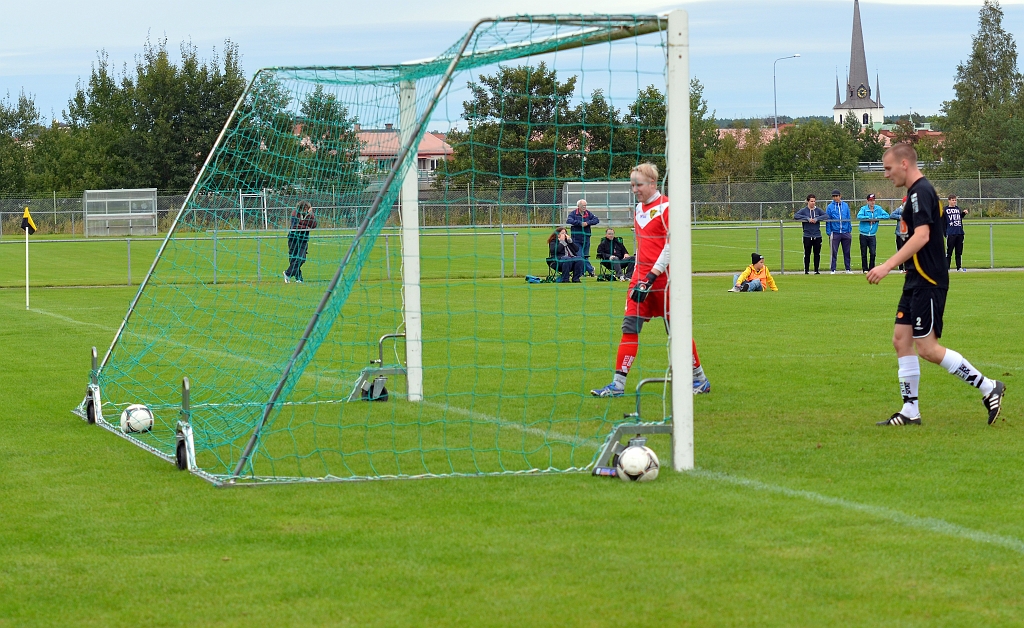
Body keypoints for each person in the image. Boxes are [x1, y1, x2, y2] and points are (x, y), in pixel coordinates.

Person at [867, 144, 1005, 426]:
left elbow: (922, 236)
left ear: (904, 164)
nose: (886, 174)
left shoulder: (921, 192)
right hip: (915, 279)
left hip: (929, 281)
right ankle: (910, 410)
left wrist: (887, 265)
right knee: (901, 340)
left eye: (888, 168)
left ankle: (989, 386)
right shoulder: (915, 193)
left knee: (928, 348)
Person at [591, 163, 711, 397]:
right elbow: (643, 246)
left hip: (666, 282)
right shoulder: (638, 209)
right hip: (640, 279)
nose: (634, 189)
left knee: (677, 332)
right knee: (629, 327)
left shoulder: (668, 207)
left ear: (653, 183)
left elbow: (671, 246)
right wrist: (636, 275)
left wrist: (652, 275)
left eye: (638, 185)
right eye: (632, 185)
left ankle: (700, 379)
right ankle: (618, 385)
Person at [284, 200, 317, 283]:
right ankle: (299, 278)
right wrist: (306, 227)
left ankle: (287, 273)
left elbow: (314, 225)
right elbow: (295, 226)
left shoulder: (309, 215)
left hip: (303, 239)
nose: (305, 210)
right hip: (293, 238)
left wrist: (311, 215)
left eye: (307, 208)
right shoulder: (295, 213)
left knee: (301, 258)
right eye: (304, 208)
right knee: (293, 259)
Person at [794, 194, 827, 274]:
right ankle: (806, 270)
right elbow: (796, 215)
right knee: (807, 253)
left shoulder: (818, 210)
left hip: (817, 235)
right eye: (811, 201)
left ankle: (816, 270)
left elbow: (826, 215)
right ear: (808, 201)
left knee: (817, 254)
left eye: (814, 201)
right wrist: (807, 218)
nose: (813, 203)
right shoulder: (804, 210)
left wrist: (817, 219)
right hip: (807, 235)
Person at [856, 193, 890, 272]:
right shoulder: (863, 209)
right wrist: (868, 218)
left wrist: (876, 218)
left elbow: (887, 215)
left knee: (873, 253)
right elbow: (859, 216)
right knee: (864, 253)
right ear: (867, 201)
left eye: (873, 200)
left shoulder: (878, 209)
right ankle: (865, 269)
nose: (872, 202)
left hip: (872, 235)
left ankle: (871, 268)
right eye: (871, 200)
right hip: (863, 235)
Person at [566, 199, 600, 276]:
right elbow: (569, 220)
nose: (584, 207)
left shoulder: (588, 213)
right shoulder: (573, 213)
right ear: (578, 206)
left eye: (585, 205)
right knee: (580, 256)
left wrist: (587, 223)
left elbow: (596, 220)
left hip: (586, 238)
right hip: (576, 238)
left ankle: (582, 272)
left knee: (586, 256)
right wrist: (580, 223)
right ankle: (591, 269)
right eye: (583, 206)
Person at [826, 189, 853, 274]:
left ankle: (848, 269)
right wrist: (829, 232)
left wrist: (849, 230)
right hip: (835, 232)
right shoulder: (830, 207)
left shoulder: (845, 205)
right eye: (833, 196)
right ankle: (833, 269)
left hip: (845, 232)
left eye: (836, 196)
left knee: (847, 251)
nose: (835, 198)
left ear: (840, 196)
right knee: (834, 252)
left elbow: (848, 217)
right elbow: (828, 220)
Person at [944, 194, 968, 272]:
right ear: (949, 201)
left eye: (955, 200)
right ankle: (947, 268)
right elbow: (942, 221)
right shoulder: (945, 210)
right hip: (951, 233)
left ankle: (959, 267)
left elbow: (959, 217)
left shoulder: (957, 209)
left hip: (959, 232)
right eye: (953, 200)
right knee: (949, 252)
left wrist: (963, 213)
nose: (954, 202)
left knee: (959, 252)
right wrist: (945, 232)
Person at [890, 196, 909, 272]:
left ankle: (907, 267)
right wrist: (900, 217)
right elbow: (892, 215)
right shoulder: (899, 210)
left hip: (908, 234)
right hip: (899, 234)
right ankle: (901, 267)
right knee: (900, 250)